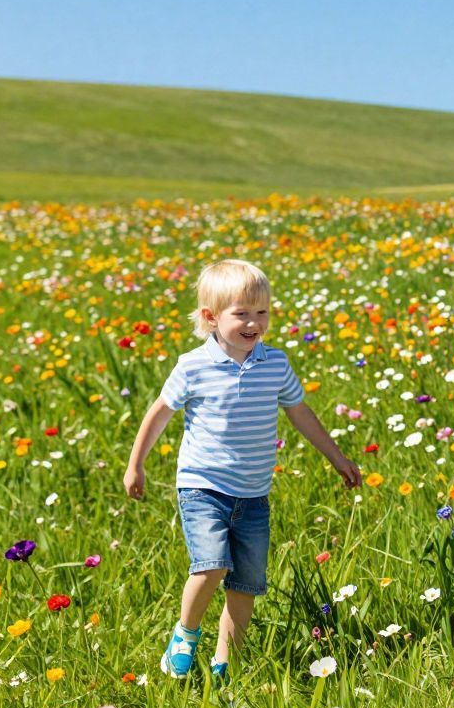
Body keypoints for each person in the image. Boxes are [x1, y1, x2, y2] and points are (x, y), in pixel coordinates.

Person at [123, 259, 361, 680]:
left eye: (262, 312)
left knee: (245, 585)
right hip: (203, 486)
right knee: (212, 566)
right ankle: (185, 633)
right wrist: (136, 465)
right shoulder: (193, 366)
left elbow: (300, 413)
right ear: (211, 318)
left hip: (253, 493)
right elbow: (158, 413)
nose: (254, 323)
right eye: (242, 313)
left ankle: (224, 665)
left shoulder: (274, 364)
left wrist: (337, 458)